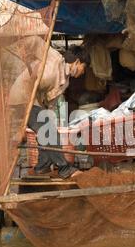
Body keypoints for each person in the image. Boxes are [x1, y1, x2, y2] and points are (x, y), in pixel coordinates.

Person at [9, 42, 89, 179]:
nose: (83, 72)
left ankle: (42, 168)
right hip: (22, 98)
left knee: (48, 130)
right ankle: (64, 169)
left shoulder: (65, 79)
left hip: (35, 102)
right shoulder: (55, 61)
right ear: (77, 62)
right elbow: (37, 44)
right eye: (84, 67)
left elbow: (50, 101)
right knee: (48, 131)